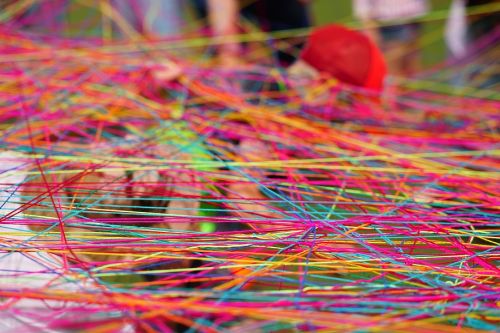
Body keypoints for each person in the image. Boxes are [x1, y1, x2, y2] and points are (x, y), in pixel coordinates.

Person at [353, 0, 430, 77]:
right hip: (387, 21)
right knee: (393, 70)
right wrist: (369, 24)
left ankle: (409, 86)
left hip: (414, 19)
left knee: (412, 66)